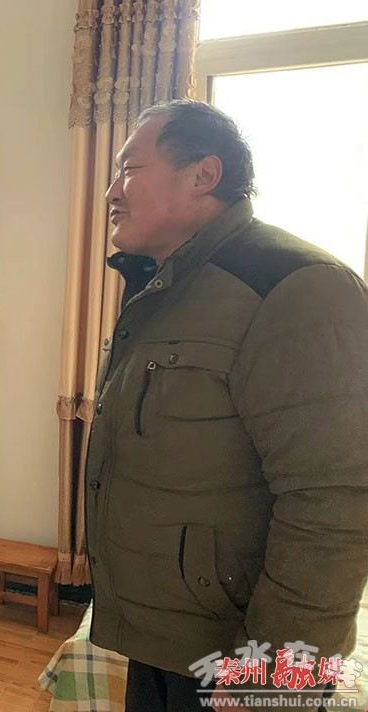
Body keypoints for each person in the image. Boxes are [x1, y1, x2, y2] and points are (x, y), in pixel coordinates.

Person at [85, 99, 368, 712]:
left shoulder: (295, 286)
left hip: (232, 658)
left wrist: (269, 681)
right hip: (161, 639)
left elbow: (335, 504)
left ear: (204, 174)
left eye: (129, 169)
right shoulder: (166, 288)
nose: (111, 192)